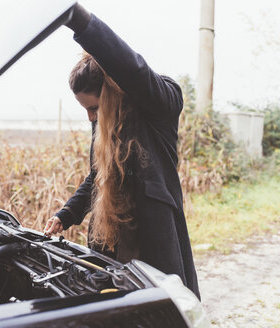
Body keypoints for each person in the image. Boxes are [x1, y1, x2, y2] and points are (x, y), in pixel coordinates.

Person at [43, 3, 200, 299]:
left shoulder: (160, 104)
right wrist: (67, 213)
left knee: (156, 312)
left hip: (150, 244)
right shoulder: (103, 125)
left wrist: (79, 21)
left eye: (93, 107)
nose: (91, 117)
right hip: (111, 244)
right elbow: (97, 177)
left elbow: (133, 70)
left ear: (111, 91)